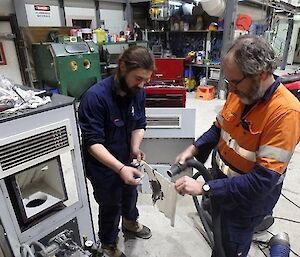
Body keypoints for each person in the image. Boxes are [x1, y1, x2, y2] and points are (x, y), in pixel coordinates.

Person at [174, 34, 300, 257]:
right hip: (221, 187)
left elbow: (262, 181)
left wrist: (205, 188)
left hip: (246, 202)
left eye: (235, 82)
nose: (230, 90)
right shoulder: (242, 92)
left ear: (261, 75)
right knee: (220, 239)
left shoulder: (286, 114)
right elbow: (218, 129)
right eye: (228, 82)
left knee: (230, 248)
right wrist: (194, 150)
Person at [78, 46, 155, 257]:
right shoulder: (95, 98)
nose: (142, 84)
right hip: (102, 165)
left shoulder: (137, 93)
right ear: (122, 67)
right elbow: (93, 143)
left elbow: (139, 123)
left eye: (146, 79)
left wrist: (135, 147)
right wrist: (119, 168)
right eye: (138, 78)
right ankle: (108, 243)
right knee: (110, 203)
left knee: (130, 194)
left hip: (126, 158)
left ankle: (130, 222)